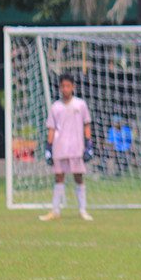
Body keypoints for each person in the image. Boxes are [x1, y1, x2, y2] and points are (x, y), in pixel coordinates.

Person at [40, 73, 93, 221]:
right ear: (59, 87)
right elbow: (51, 128)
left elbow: (86, 124)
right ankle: (55, 210)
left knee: (78, 176)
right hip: (60, 147)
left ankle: (83, 210)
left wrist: (89, 144)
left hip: (76, 147)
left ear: (73, 87)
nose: (65, 89)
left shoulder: (80, 105)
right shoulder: (56, 107)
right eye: (63, 86)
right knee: (59, 176)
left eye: (68, 86)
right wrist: (48, 147)